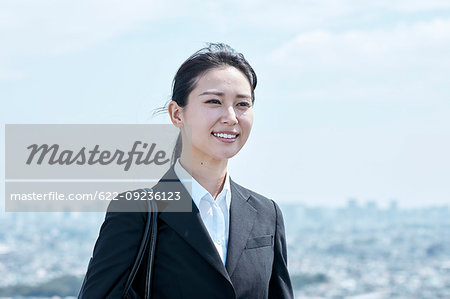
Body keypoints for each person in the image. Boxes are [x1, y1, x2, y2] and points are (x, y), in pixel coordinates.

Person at [79, 43, 294, 298]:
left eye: (242, 104)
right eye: (214, 101)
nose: (231, 117)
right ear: (177, 114)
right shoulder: (136, 211)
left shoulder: (266, 213)